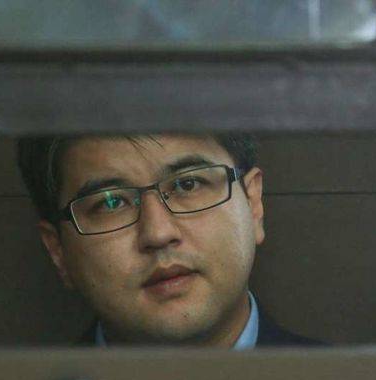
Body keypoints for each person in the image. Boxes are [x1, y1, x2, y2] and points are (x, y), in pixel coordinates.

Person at [17, 133, 318, 349]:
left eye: (188, 184)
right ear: (58, 251)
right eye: (111, 203)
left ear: (253, 205)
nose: (158, 234)